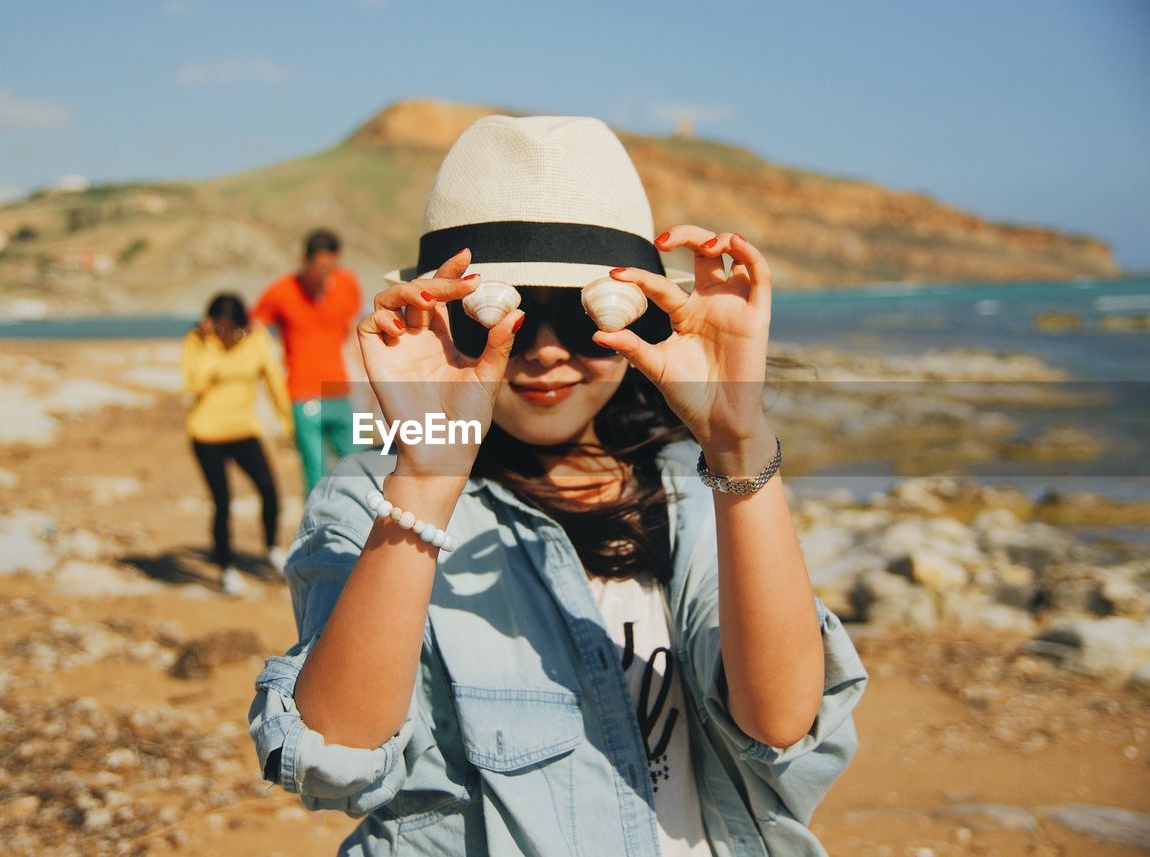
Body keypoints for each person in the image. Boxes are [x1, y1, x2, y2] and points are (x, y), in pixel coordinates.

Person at [248, 115, 867, 856]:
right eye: (499, 317)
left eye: (581, 314)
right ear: (441, 315)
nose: (543, 352)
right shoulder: (370, 499)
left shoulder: (697, 490)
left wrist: (738, 441)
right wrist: (429, 470)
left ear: (644, 314)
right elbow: (332, 760)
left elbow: (780, 722)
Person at [182, 293, 292, 596]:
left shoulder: (257, 340)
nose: (230, 337)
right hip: (206, 433)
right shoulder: (198, 342)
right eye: (222, 330)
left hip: (243, 430)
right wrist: (210, 344)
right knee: (223, 502)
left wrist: (287, 421)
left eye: (235, 330)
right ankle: (227, 569)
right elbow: (194, 384)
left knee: (269, 490)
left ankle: (271, 550)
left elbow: (273, 381)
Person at [251, 228, 363, 498]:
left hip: (340, 392)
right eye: (321, 266)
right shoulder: (281, 291)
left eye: (332, 266)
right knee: (316, 472)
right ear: (306, 260)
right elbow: (255, 327)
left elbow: (354, 331)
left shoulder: (348, 284)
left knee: (357, 466)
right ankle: (316, 536)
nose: (326, 274)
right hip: (303, 395)